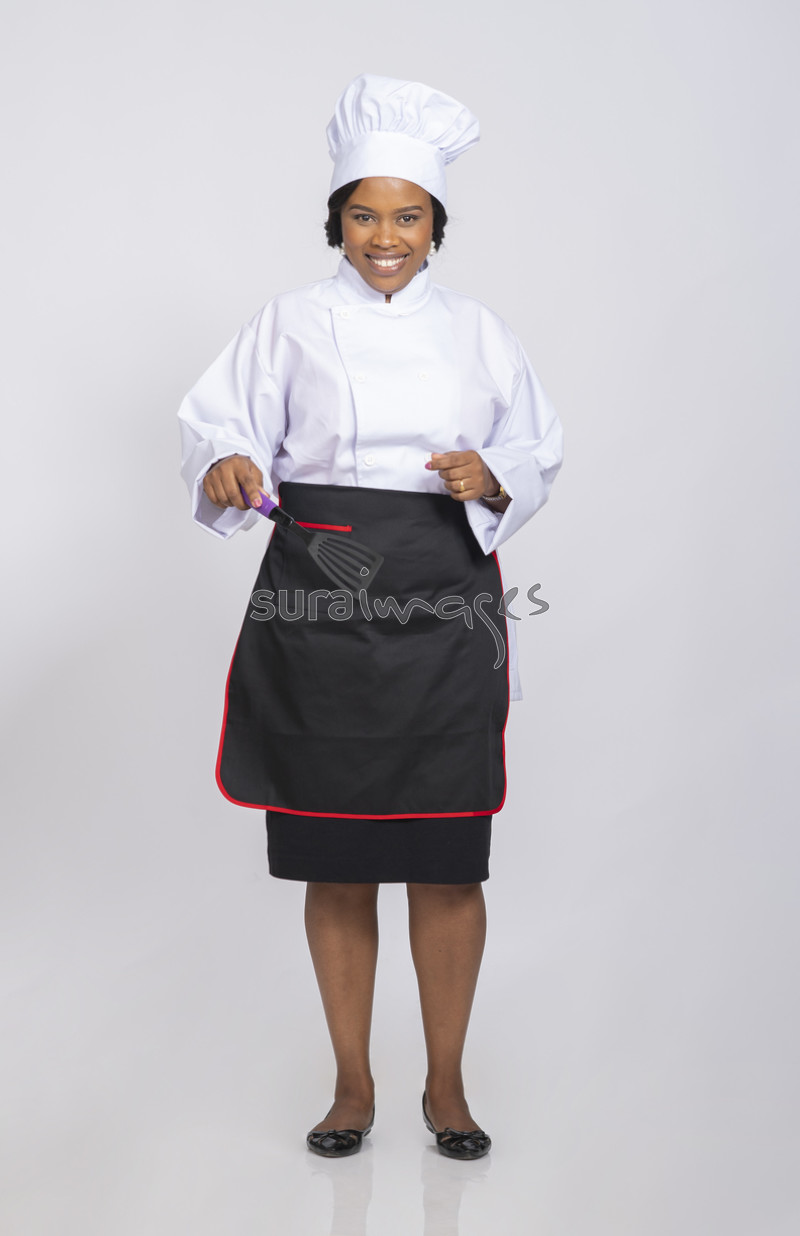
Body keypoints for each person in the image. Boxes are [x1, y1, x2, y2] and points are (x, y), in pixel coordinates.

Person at [178, 74, 563, 1160]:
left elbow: (538, 449)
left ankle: (446, 1085)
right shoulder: (288, 324)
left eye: (406, 217)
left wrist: (491, 473)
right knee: (337, 860)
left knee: (447, 862)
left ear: (436, 225)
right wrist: (227, 461)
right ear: (336, 220)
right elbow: (216, 425)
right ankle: (351, 1084)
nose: (384, 238)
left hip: (442, 602)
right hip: (319, 601)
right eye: (363, 215)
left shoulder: (480, 333)